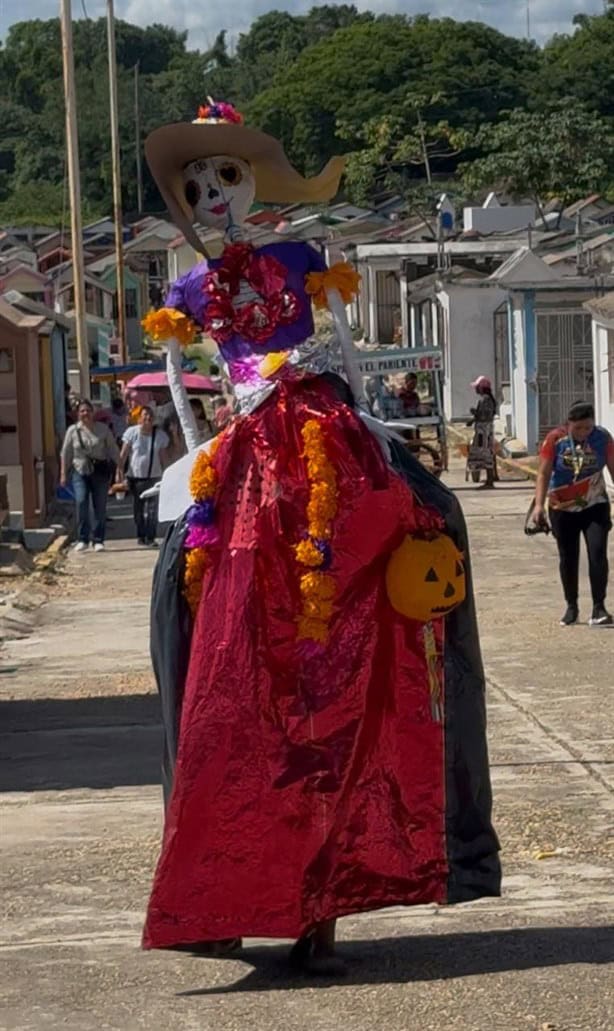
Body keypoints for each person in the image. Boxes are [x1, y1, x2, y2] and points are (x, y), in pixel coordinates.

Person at [139, 100, 500, 970]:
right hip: (244, 447)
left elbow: (342, 346)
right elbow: (191, 389)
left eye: (224, 176)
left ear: (253, 184)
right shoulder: (186, 290)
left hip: (320, 428)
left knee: (426, 517)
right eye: (195, 183)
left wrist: (359, 415)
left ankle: (326, 908)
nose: (209, 193)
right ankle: (219, 895)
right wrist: (200, 461)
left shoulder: (301, 260)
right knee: (184, 607)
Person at [534, 401, 614, 627]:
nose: (583, 433)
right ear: (568, 424)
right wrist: (539, 506)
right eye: (578, 428)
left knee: (597, 553)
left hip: (595, 504)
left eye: (587, 428)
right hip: (562, 507)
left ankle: (599, 607)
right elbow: (543, 473)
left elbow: (613, 467)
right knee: (568, 557)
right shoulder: (554, 440)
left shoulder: (603, 438)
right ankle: (572, 606)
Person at [60, 399, 119, 552]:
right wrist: (63, 474)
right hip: (80, 472)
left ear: (93, 413)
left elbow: (112, 449)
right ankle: (83, 538)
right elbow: (66, 453)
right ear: (78, 414)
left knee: (99, 507)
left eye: (88, 410)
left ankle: (98, 540)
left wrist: (120, 467)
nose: (85, 413)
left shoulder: (103, 429)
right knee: (81, 502)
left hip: (99, 472)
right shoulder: (72, 431)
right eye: (82, 411)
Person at [118, 406, 169, 547]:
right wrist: (120, 470)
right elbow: (124, 453)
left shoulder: (160, 436)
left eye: (150, 415)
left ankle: (151, 537)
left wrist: (166, 475)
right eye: (145, 415)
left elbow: (163, 458)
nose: (148, 418)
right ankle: (141, 535)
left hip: (154, 477)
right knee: (138, 509)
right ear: (139, 418)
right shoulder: (131, 433)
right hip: (136, 478)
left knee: (153, 510)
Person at [467, 375, 498, 488]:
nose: (475, 389)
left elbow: (484, 416)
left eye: (477, 387)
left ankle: (490, 481)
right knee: (486, 454)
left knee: (486, 454)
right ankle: (490, 479)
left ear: (481, 388)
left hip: (484, 431)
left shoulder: (485, 400)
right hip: (484, 430)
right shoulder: (487, 399)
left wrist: (475, 413)